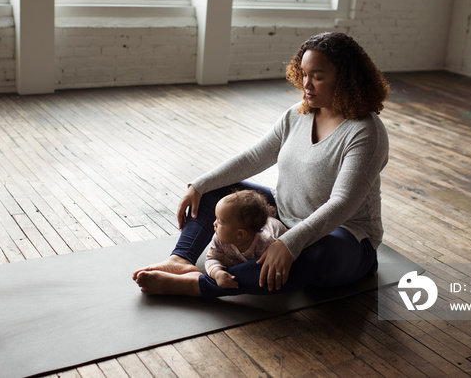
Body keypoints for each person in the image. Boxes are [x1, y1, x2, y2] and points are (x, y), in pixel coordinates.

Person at [133, 31, 390, 298]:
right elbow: (253, 158)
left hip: (345, 238)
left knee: (316, 255)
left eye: (318, 76)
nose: (306, 84)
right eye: (303, 73)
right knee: (215, 192)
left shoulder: (366, 132)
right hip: (283, 217)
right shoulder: (297, 114)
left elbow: (342, 204)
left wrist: (289, 244)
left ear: (346, 80)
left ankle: (198, 286)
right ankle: (181, 260)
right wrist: (200, 184)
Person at [205, 190, 287, 289]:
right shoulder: (219, 238)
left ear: (240, 234)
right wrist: (216, 273)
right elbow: (211, 258)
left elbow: (270, 266)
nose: (214, 223)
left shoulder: (265, 244)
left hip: (281, 233)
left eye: (220, 221)